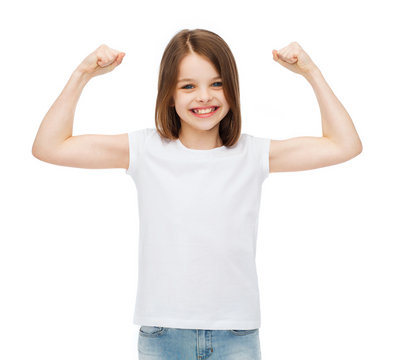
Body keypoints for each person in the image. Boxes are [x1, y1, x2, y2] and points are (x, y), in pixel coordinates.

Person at [32, 28, 362, 360]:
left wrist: (311, 72)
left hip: (237, 334)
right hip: (163, 333)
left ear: (232, 90)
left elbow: (345, 145)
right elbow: (49, 146)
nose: (204, 96)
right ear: (169, 95)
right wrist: (82, 73)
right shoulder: (145, 150)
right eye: (188, 86)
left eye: (216, 84)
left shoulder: (253, 154)